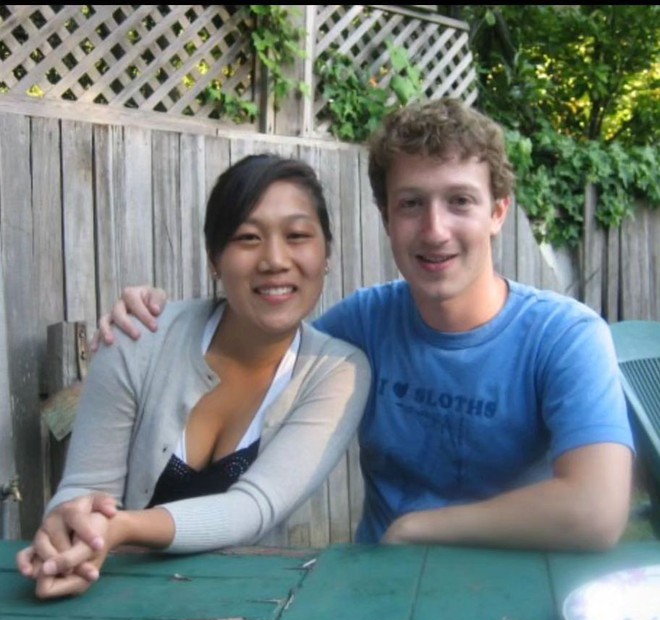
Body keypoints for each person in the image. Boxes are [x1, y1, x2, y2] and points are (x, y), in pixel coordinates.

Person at [45, 99, 635, 556]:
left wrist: (418, 527)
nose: (434, 230)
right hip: (379, 589)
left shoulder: (565, 336)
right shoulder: (360, 328)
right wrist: (149, 315)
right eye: (411, 204)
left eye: (459, 201)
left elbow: (597, 508)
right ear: (386, 217)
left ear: (498, 211)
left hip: (519, 582)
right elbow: (264, 337)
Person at [16, 154, 371, 599]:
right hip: (109, 596)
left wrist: (123, 527)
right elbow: (86, 487)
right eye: (248, 238)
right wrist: (68, 531)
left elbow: (254, 508)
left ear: (327, 255)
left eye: (297, 236)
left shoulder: (337, 373)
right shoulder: (136, 338)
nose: (275, 260)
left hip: (245, 608)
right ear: (214, 260)